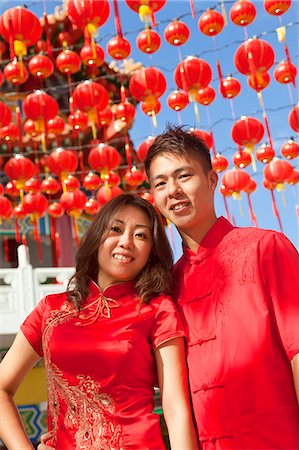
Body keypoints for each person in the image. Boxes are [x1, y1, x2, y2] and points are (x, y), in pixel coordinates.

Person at [0, 193, 199, 450]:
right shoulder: (51, 309)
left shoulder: (157, 309)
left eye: (140, 235)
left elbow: (174, 405)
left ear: (151, 252)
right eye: (116, 229)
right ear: (96, 238)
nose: (126, 241)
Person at [144, 125, 299, 449]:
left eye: (183, 176)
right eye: (161, 183)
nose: (172, 190)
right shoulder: (166, 287)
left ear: (212, 180)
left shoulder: (265, 248)